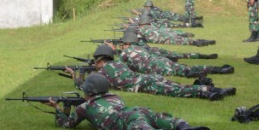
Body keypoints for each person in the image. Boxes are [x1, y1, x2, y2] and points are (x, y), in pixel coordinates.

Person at [52, 73, 205, 130]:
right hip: (138, 110)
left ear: (89, 92)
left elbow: (67, 124)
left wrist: (56, 108)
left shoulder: (85, 107)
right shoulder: (115, 97)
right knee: (164, 118)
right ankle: (184, 127)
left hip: (126, 120)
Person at [74, 45, 234, 102]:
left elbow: (86, 87)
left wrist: (77, 75)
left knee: (178, 91)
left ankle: (208, 92)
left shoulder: (102, 73)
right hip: (148, 78)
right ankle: (215, 89)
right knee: (178, 85)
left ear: (99, 60)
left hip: (144, 84)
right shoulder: (118, 63)